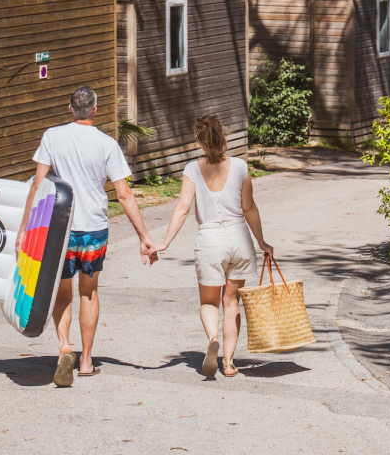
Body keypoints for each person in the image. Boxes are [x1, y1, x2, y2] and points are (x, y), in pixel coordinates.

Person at [17, 86, 155, 387]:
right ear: (95, 109)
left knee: (62, 293)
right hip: (93, 228)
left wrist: (24, 228)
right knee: (88, 292)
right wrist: (144, 236)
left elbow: (38, 183)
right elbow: (124, 193)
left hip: (59, 228)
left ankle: (65, 346)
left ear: (70, 109)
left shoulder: (52, 136)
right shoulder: (106, 144)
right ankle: (87, 360)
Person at [147, 115, 272, 378]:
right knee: (231, 302)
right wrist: (261, 241)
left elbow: (182, 208)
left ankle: (213, 337)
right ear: (223, 137)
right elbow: (248, 208)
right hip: (239, 238)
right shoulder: (240, 166)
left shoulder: (193, 169)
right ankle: (228, 363)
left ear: (198, 140)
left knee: (209, 302)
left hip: (210, 241)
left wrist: (165, 242)